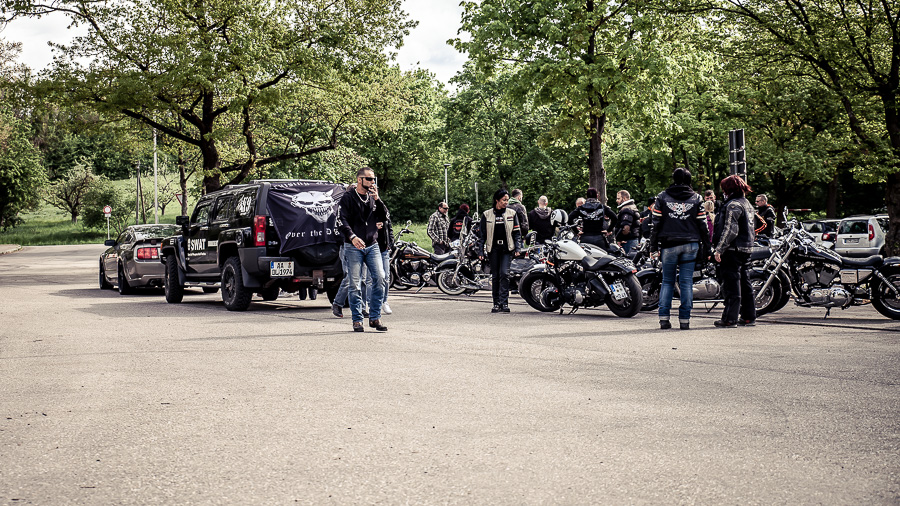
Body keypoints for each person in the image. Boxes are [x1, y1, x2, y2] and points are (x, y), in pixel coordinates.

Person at [649, 168, 709, 330]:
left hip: (668, 245)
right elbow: (703, 225)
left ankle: (664, 318)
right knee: (686, 282)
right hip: (691, 244)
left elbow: (655, 224)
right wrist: (707, 247)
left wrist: (653, 247)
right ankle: (684, 320)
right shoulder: (697, 198)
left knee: (667, 281)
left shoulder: (662, 197)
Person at [336, 167, 388, 332]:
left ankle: (375, 317)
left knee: (380, 279)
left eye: (374, 179)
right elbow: (341, 220)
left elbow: (384, 216)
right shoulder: (348, 198)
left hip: (372, 245)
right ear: (360, 180)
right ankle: (357, 320)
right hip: (353, 246)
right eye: (369, 179)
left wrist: (378, 199)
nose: (373, 182)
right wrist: (352, 236)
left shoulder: (373, 198)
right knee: (355, 284)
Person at [712, 175, 757, 327]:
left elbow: (730, 230)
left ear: (729, 189)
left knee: (731, 285)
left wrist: (719, 249)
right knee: (745, 283)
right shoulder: (747, 204)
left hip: (732, 250)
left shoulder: (733, 205)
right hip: (746, 248)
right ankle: (749, 316)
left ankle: (729, 318)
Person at [476, 189, 523, 313]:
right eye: (503, 200)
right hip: (493, 249)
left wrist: (518, 248)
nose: (506, 202)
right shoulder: (487, 214)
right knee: (495, 276)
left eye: (507, 200)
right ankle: (496, 303)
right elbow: (482, 236)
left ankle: (504, 303)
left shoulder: (512, 213)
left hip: (507, 249)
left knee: (504, 274)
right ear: (497, 200)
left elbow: (517, 233)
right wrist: (480, 251)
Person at [614, 190, 641, 254]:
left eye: (618, 198)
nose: (616, 200)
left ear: (624, 198)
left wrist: (620, 239)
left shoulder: (626, 209)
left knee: (627, 259)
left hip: (628, 241)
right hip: (632, 239)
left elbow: (626, 228)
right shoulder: (632, 207)